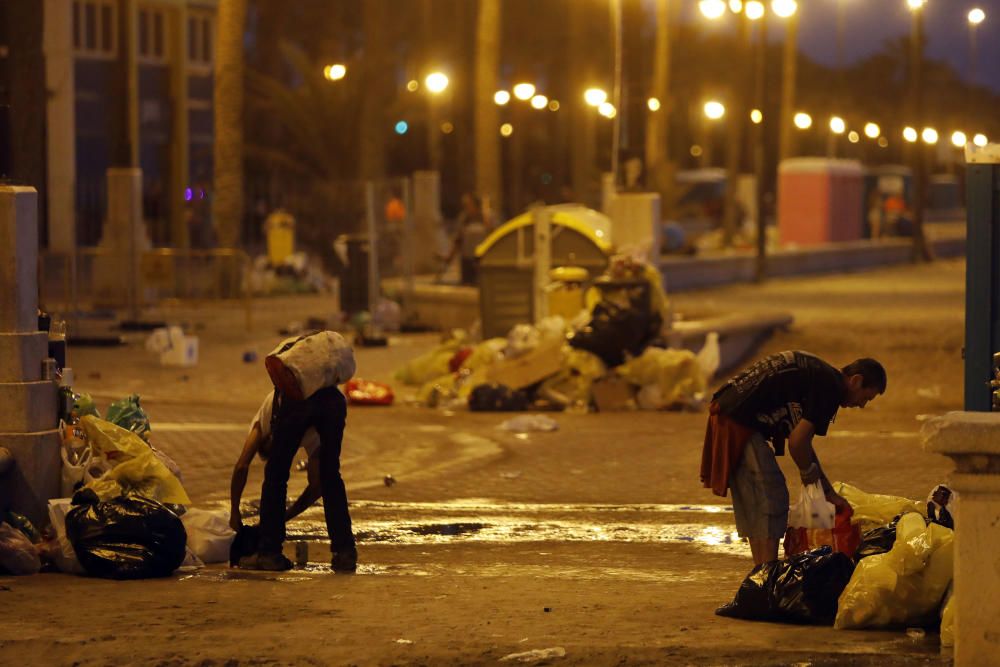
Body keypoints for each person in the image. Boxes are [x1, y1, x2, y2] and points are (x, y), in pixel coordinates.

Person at [700, 351, 887, 566]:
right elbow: (797, 443)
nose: (861, 405)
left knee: (757, 502)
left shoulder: (821, 375)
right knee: (771, 498)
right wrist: (811, 480)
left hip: (730, 413)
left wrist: (825, 490)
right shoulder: (831, 388)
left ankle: (761, 573)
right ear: (856, 381)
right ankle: (767, 578)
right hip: (737, 422)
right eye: (865, 398)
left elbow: (802, 441)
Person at [229, 387, 357, 572]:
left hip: (296, 399)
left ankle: (269, 554)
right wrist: (282, 517)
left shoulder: (263, 421)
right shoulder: (310, 431)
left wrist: (234, 512)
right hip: (333, 400)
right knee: (330, 476)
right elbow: (318, 485)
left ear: (268, 437)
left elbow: (242, 466)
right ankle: (345, 553)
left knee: (275, 473)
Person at [442, 193, 487, 285]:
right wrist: (450, 256)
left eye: (469, 205)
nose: (467, 208)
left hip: (481, 258)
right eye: (465, 205)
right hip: (467, 259)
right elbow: (458, 239)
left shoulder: (486, 218)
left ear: (476, 205)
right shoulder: (464, 219)